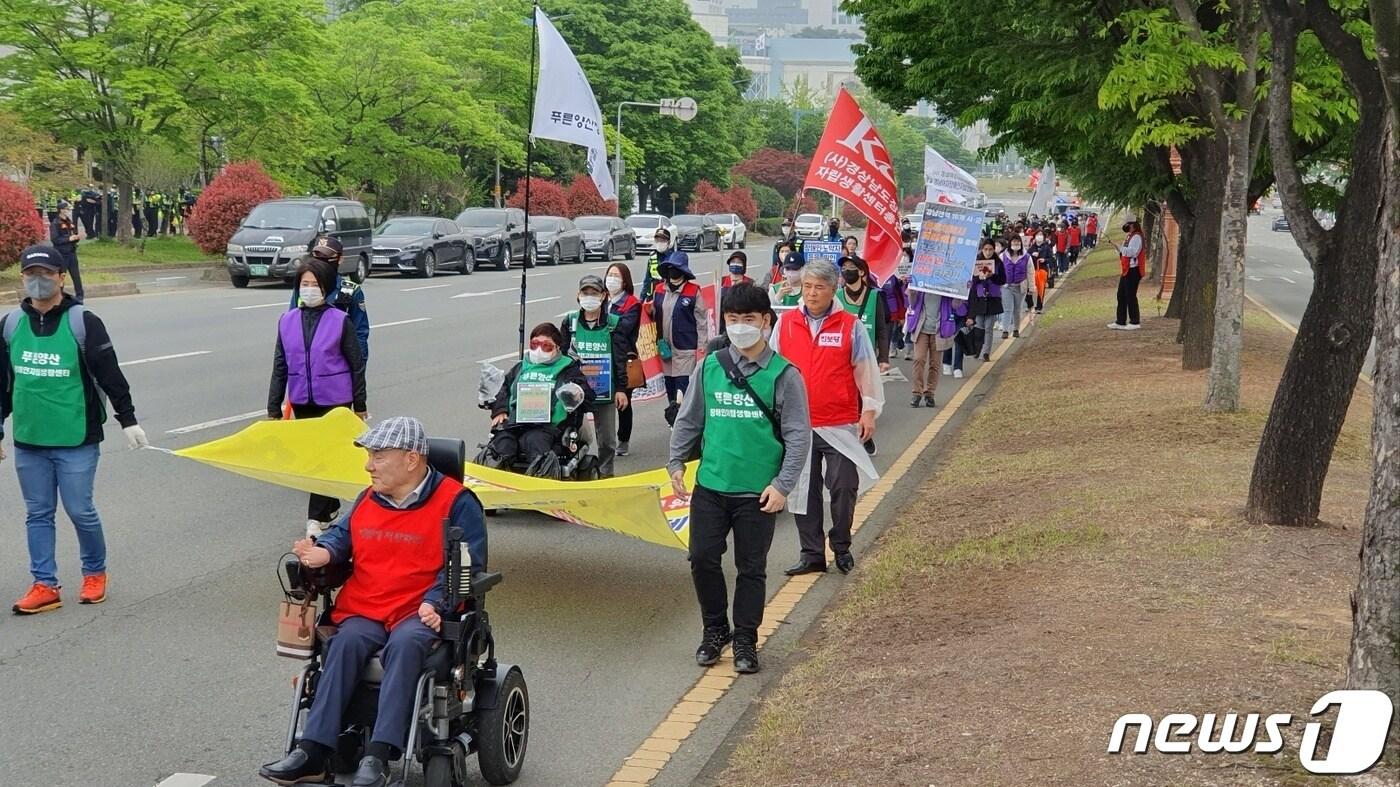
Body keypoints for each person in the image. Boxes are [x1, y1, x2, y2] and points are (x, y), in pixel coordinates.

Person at [258, 416, 487, 787]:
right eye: (370, 456)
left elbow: (467, 565)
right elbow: (341, 536)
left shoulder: (457, 503)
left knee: (407, 644)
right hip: (367, 606)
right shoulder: (368, 499)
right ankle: (313, 751)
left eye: (378, 456)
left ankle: (379, 755)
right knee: (345, 642)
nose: (369, 465)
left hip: (418, 611)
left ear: (411, 459)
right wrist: (323, 554)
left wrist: (436, 603)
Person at [668, 283, 811, 675]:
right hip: (711, 486)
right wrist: (677, 461)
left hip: (758, 493)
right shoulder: (710, 367)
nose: (741, 326)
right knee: (702, 559)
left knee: (751, 567)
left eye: (749, 319)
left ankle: (746, 637)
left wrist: (782, 485)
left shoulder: (784, 375)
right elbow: (690, 419)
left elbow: (799, 435)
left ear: (766, 321)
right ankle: (715, 630)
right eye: (733, 320)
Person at [0, 245, 148, 614]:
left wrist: (127, 420)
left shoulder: (83, 321)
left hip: (76, 438)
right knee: (37, 513)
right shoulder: (11, 325)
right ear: (22, 277)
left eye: (46, 273)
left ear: (61, 277)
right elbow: (3, 384)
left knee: (80, 509)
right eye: (31, 273)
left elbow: (110, 375)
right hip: (30, 439)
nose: (38, 280)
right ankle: (44, 584)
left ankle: (94, 572)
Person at [771, 260, 883, 577]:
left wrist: (869, 410)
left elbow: (866, 372)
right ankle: (811, 553)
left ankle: (842, 545)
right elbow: (772, 371)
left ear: (833, 289)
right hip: (797, 425)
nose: (812, 293)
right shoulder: (787, 323)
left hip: (839, 422)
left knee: (843, 487)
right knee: (802, 490)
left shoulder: (850, 326)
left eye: (819, 287)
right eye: (807, 286)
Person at [269, 258, 368, 538]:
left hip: (335, 401)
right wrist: (273, 407)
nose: (309, 289)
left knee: (323, 457)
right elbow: (280, 365)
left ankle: (314, 519)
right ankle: (329, 503)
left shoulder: (340, 320)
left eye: (315, 284)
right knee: (314, 458)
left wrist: (359, 405)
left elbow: (355, 363)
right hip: (302, 400)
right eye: (304, 284)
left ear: (326, 288)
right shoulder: (287, 321)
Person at [485, 323, 594, 471]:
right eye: (535, 344)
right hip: (516, 422)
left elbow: (586, 395)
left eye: (546, 346)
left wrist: (574, 394)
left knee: (534, 442)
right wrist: (500, 410)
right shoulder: (521, 367)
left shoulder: (567, 368)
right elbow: (503, 388)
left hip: (549, 425)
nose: (539, 350)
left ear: (557, 348)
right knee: (501, 445)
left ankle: (542, 479)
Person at [560, 275, 628, 478]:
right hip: (575, 390)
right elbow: (562, 356)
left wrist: (622, 390)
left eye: (594, 293)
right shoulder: (570, 322)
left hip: (604, 390)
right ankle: (573, 472)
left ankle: (606, 475)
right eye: (585, 293)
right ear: (578, 296)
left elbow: (620, 358)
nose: (589, 297)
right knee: (568, 434)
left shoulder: (614, 323)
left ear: (604, 296)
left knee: (606, 440)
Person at [288, 237, 371, 365]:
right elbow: (291, 328)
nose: (321, 261)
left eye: (326, 256)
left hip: (336, 365)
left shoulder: (350, 291)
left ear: (340, 259)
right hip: (306, 364)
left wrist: (358, 371)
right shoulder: (303, 287)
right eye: (317, 256)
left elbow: (360, 334)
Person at [836, 255, 889, 456]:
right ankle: (851, 436)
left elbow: (882, 330)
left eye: (851, 267)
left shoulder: (875, 297)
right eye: (844, 267)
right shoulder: (837, 297)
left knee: (864, 397)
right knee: (847, 397)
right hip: (841, 357)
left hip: (866, 358)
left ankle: (865, 434)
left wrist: (883, 358)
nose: (847, 270)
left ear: (861, 272)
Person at [650, 254, 708, 427]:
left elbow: (701, 322)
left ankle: (683, 421)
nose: (672, 272)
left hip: (686, 348)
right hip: (665, 349)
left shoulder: (693, 291)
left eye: (676, 268)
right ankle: (673, 418)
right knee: (670, 385)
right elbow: (653, 313)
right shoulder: (659, 290)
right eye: (669, 268)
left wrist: (702, 348)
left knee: (683, 386)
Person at [605, 263, 642, 457]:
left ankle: (623, 440)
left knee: (623, 402)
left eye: (616, 276)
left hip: (623, 358)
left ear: (624, 280)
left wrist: (603, 320)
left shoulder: (632, 303)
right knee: (603, 401)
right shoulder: (602, 299)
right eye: (609, 274)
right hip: (602, 357)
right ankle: (606, 439)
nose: (611, 279)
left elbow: (625, 327)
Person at [967, 239, 1006, 362]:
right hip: (979, 298)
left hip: (993, 298)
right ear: (982, 250)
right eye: (985, 249)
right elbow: (972, 282)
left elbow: (1003, 280)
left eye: (990, 249)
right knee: (979, 326)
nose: (988, 252)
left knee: (989, 327)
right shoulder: (976, 262)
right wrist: (979, 277)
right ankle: (977, 349)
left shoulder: (998, 263)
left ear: (994, 250)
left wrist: (992, 276)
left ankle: (986, 352)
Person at [1109, 219, 1145, 330]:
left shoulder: (1137, 237)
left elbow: (1133, 252)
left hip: (1134, 270)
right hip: (1127, 269)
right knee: (1121, 295)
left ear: (1133, 226)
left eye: (1128, 225)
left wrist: (1121, 248)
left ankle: (1135, 321)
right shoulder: (1130, 236)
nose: (1126, 227)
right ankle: (1120, 321)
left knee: (1130, 295)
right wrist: (1117, 247)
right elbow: (1124, 252)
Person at [49, 200, 84, 303]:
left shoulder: (69, 221)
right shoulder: (55, 223)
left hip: (72, 252)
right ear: (61, 210)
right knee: (61, 276)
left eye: (68, 209)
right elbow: (55, 239)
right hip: (61, 254)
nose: (68, 211)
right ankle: (59, 296)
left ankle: (80, 296)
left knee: (76, 275)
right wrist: (69, 239)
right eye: (66, 209)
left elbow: (73, 233)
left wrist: (76, 237)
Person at [641, 227, 686, 302]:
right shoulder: (652, 258)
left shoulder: (674, 258)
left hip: (669, 296)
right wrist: (641, 299)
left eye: (662, 240)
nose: (659, 243)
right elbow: (647, 281)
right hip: (653, 297)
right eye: (657, 240)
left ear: (668, 242)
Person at [1001, 235, 1032, 338]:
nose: (1015, 244)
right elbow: (997, 270)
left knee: (1017, 309)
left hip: (1020, 286)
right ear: (1010, 243)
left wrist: (1031, 287)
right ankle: (1005, 330)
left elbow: (1030, 272)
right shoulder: (1003, 256)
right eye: (1013, 242)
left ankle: (1016, 329)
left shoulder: (1026, 256)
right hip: (1007, 286)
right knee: (1007, 309)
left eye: (1018, 242)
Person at [767, 217, 806, 286]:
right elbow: (775, 260)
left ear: (793, 227)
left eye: (788, 225)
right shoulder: (779, 242)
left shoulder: (800, 242)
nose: (785, 228)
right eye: (783, 225)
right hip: (780, 271)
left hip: (795, 270)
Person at [767, 246, 804, 311]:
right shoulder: (774, 290)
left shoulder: (808, 289)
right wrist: (777, 299)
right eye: (788, 269)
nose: (791, 272)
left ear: (803, 270)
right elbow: (770, 314)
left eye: (795, 269)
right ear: (784, 270)